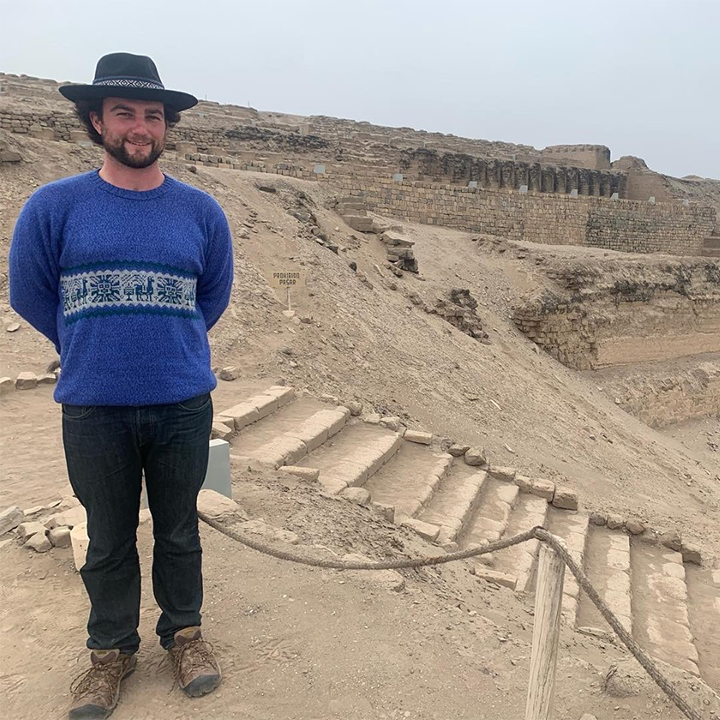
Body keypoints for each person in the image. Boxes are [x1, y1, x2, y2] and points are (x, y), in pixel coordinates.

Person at [9, 52, 234, 719]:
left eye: (152, 115)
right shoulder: (55, 206)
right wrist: (86, 344)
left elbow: (211, 295)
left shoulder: (200, 211)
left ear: (166, 127)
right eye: (125, 113)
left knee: (180, 531)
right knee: (106, 537)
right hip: (93, 407)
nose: (140, 127)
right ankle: (109, 655)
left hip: (183, 403)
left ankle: (184, 636)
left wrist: (168, 339)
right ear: (95, 121)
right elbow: (29, 293)